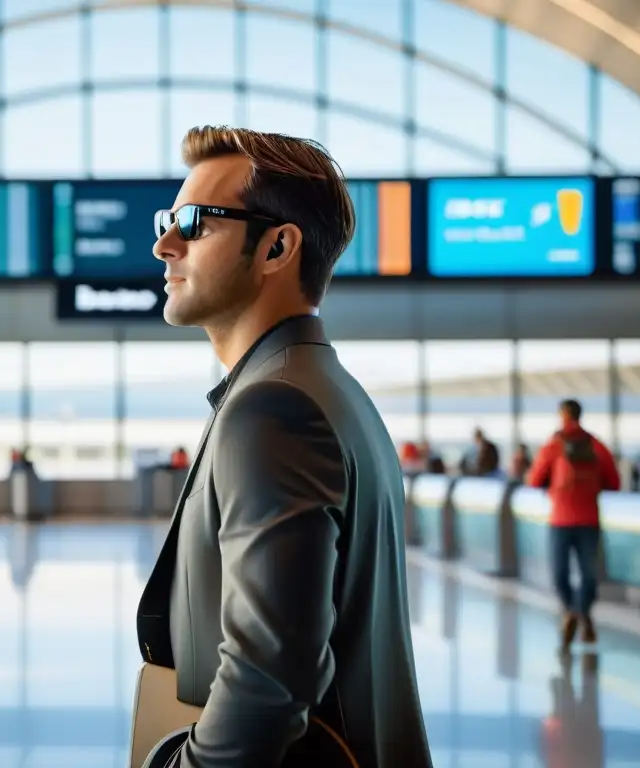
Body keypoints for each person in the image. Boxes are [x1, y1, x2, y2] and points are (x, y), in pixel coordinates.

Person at [136, 126, 432, 767]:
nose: (164, 245)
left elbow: (268, 681)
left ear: (276, 246)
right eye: (168, 220)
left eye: (193, 222)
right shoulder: (326, 389)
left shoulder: (275, 409)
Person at [526, 399, 620, 651]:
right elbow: (614, 481)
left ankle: (571, 613)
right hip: (589, 519)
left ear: (562, 415)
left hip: (560, 519)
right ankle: (582, 615)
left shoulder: (553, 445)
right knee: (589, 577)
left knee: (559, 575)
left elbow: (534, 480)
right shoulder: (597, 445)